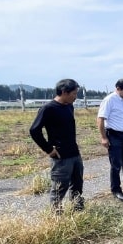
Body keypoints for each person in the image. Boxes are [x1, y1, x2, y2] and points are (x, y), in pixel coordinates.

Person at [29, 78, 84, 212]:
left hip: (74, 153)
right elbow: (34, 130)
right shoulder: (48, 108)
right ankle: (56, 216)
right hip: (61, 156)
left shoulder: (69, 106)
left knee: (77, 184)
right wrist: (49, 149)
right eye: (74, 94)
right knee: (59, 187)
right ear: (64, 92)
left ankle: (77, 210)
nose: (75, 97)